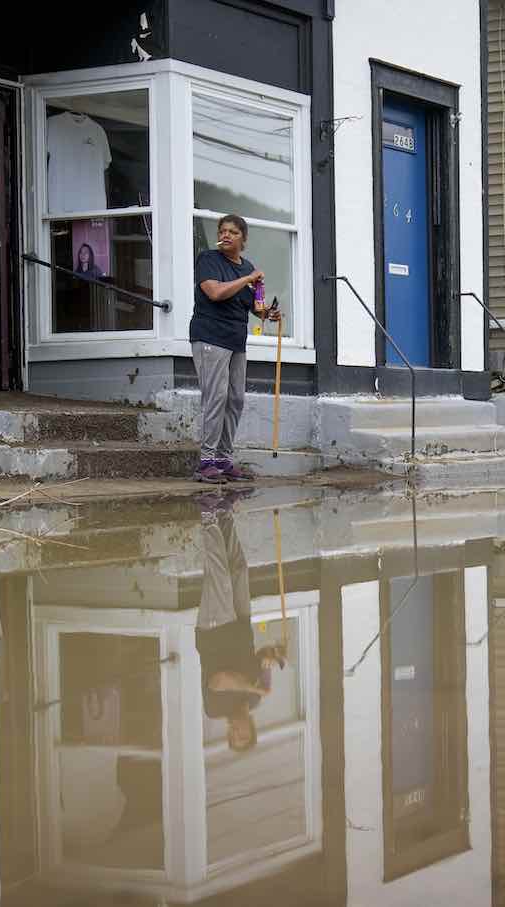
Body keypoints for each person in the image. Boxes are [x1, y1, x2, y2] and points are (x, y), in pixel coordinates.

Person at [190, 214, 279, 484]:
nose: (226, 235)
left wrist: (268, 314)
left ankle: (223, 460)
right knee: (215, 397)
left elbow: (256, 306)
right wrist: (248, 278)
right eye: (222, 230)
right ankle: (205, 463)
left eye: (233, 232)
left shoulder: (246, 267)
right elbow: (215, 293)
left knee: (235, 399)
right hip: (210, 336)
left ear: (244, 239)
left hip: (236, 340)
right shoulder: (208, 260)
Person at [194, 492, 287, 751]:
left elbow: (221, 678)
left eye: (233, 735)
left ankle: (207, 515)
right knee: (238, 570)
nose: (236, 730)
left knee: (220, 577)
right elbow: (262, 658)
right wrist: (273, 655)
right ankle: (224, 514)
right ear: (252, 728)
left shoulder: (215, 708)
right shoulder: (255, 700)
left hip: (215, 630)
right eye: (242, 735)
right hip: (240, 626)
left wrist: (253, 688)